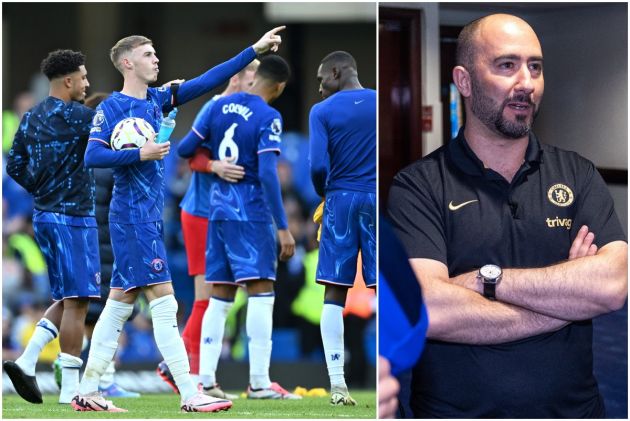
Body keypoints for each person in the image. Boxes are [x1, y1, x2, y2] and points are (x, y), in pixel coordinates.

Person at [387, 14, 627, 418]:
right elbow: (430, 308)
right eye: (507, 65)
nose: (526, 82)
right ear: (464, 81)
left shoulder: (578, 174)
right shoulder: (418, 186)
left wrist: (485, 281)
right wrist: (565, 302)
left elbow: (612, 286)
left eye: (535, 66)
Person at [71, 27, 285, 413]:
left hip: (148, 215)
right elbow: (93, 157)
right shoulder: (111, 108)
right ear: (127, 63)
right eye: (148, 54)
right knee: (165, 302)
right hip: (131, 216)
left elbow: (210, 78)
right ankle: (190, 391)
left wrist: (254, 48)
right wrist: (141, 154)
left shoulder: (158, 98)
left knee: (119, 304)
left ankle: (88, 390)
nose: (156, 59)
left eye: (155, 53)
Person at [177, 54, 299, 400]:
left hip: (216, 212)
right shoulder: (268, 116)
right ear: (279, 87)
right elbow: (267, 173)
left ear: (255, 75)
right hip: (250, 214)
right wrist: (283, 226)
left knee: (220, 296)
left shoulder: (218, 107)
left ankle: (205, 380)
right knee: (261, 293)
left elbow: (186, 148)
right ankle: (260, 382)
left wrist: (213, 160)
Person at [157, 61, 259, 399]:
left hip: (219, 215)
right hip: (200, 212)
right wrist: (214, 164)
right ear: (236, 77)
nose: (255, 82)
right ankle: (183, 368)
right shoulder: (213, 107)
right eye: (251, 75)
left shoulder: (246, 111)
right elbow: (190, 154)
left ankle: (196, 374)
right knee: (207, 296)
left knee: (215, 296)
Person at [4, 49, 99, 405]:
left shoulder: (29, 117)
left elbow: (15, 166)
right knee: (78, 302)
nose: (88, 83)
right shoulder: (80, 117)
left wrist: (39, 187)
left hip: (44, 215)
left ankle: (28, 361)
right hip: (73, 217)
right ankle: (71, 392)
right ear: (69, 81)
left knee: (66, 297)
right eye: (84, 77)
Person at [308, 51, 376, 406]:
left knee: (335, 292)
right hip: (380, 196)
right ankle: (397, 376)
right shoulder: (381, 103)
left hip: (341, 199)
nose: (319, 88)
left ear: (337, 71)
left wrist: (327, 193)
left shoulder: (322, 111)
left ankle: (338, 385)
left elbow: (318, 164)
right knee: (387, 291)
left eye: (322, 79)